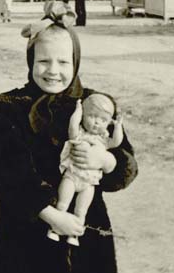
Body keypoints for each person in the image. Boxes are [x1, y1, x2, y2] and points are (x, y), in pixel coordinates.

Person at [0, 2, 138, 273]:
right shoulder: (5, 108)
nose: (53, 71)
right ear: (30, 61)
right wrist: (53, 216)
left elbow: (126, 166)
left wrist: (107, 160)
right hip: (26, 246)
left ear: (77, 63)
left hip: (84, 249)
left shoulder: (95, 105)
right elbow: (9, 177)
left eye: (64, 62)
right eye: (43, 61)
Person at [47, 94, 125, 246]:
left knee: (81, 210)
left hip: (89, 183)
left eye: (103, 120)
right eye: (92, 116)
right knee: (62, 204)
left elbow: (116, 142)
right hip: (71, 176)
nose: (96, 122)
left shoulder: (104, 140)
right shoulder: (79, 134)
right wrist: (78, 110)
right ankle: (55, 230)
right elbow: (73, 126)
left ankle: (74, 236)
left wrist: (118, 126)